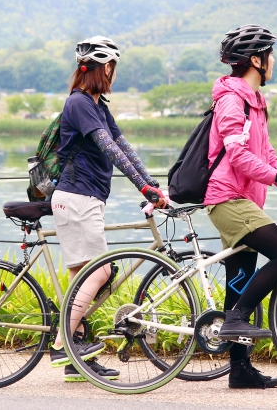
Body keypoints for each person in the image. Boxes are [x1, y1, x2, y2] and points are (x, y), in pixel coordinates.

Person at [49, 35, 168, 382]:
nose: (114, 74)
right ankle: (62, 344)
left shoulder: (98, 105)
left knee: (81, 279)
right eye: (112, 67)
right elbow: (108, 149)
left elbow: (123, 146)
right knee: (100, 273)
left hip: (85, 200)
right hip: (77, 198)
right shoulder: (80, 104)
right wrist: (143, 187)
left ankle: (74, 359)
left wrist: (153, 184)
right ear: (104, 68)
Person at [204, 24, 277, 389]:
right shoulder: (232, 99)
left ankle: (240, 371)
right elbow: (236, 156)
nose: (274, 60)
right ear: (256, 60)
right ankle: (235, 320)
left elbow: (264, 155)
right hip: (228, 199)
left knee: (239, 281)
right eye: (270, 54)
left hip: (245, 199)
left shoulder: (254, 100)